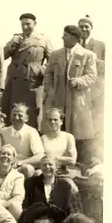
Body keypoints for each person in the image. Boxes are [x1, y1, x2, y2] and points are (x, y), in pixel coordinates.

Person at [43, 25, 97, 166]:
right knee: (59, 129)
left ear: (75, 38)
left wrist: (79, 81)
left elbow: (92, 76)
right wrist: (50, 89)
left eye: (65, 36)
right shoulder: (56, 54)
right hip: (59, 99)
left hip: (78, 101)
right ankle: (58, 162)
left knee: (78, 132)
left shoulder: (87, 55)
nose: (62, 38)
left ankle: (79, 164)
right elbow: (48, 73)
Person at [1, 13, 53, 129]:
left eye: (28, 24)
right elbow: (2, 56)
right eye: (22, 24)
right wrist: (11, 44)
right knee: (13, 111)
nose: (25, 27)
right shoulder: (16, 38)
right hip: (14, 81)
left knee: (32, 111)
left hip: (33, 82)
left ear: (35, 24)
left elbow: (52, 61)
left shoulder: (43, 39)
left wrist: (40, 70)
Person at [23, 156, 83, 223]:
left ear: (57, 167)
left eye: (50, 164)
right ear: (40, 167)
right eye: (44, 165)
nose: (47, 167)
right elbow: (26, 206)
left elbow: (67, 209)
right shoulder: (30, 184)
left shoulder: (65, 185)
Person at [0, 103, 45, 178]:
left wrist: (19, 163)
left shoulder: (32, 132)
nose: (16, 118)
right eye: (14, 115)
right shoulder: (3, 132)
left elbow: (39, 156)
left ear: (26, 118)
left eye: (20, 115)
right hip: (5, 166)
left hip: (22, 167)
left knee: (28, 169)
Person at [78, 15, 105, 163]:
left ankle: (94, 157)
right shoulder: (74, 45)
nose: (83, 29)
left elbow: (109, 65)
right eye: (81, 27)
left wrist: (93, 58)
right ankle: (82, 157)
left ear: (91, 28)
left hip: (96, 90)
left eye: (86, 27)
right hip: (79, 91)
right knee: (80, 123)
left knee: (94, 123)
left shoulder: (100, 45)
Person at [0, 145, 25, 221]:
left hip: (7, 211)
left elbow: (18, 198)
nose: (5, 156)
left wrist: (0, 205)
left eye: (9, 154)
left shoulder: (18, 176)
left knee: (16, 205)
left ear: (13, 160)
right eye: (3, 153)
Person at [40, 108, 77, 175]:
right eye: (50, 120)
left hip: (65, 171)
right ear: (46, 122)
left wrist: (51, 158)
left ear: (61, 121)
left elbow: (72, 160)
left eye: (55, 119)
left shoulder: (68, 137)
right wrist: (63, 159)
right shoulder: (42, 139)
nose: (52, 122)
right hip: (48, 171)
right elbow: (41, 160)